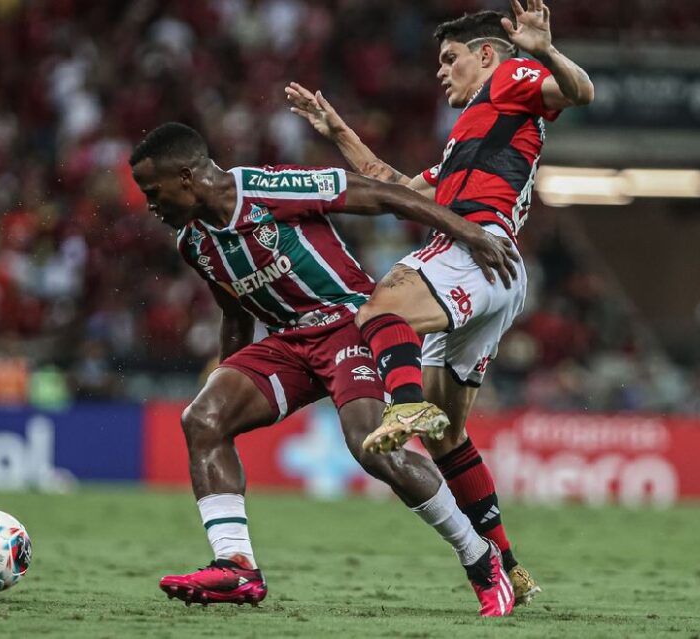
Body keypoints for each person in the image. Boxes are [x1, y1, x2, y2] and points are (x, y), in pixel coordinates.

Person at [130, 122, 524, 616]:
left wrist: (465, 230)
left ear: (185, 177)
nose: (150, 204)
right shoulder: (194, 243)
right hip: (287, 343)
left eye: (153, 191)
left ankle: (479, 557)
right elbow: (234, 313)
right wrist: (228, 382)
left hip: (348, 324)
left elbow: (381, 195)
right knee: (202, 418)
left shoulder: (266, 188)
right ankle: (237, 566)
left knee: (372, 447)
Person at [285, 0, 593, 602]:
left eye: (450, 59)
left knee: (377, 311)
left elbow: (579, 92)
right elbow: (397, 188)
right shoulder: (466, 139)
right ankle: (508, 566)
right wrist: (338, 130)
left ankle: (402, 407)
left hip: (476, 250)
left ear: (485, 55)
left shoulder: (510, 78)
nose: (439, 71)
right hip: (495, 273)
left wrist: (543, 49)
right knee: (449, 434)